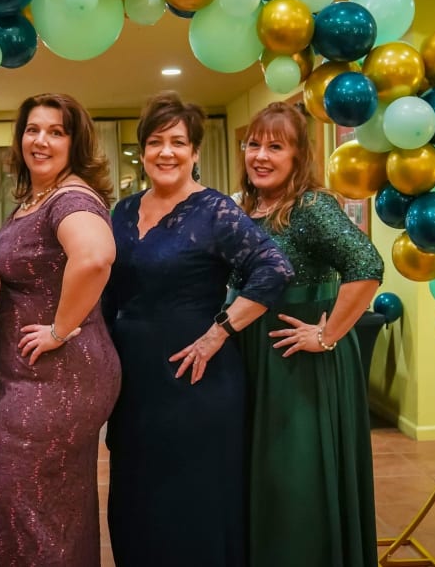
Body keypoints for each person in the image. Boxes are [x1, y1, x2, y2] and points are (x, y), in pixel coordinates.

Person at [105, 91, 293, 566]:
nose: (165, 152)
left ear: (194, 152)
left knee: (192, 505)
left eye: (177, 142)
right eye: (155, 142)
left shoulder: (214, 211)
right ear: (142, 150)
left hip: (197, 378)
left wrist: (219, 332)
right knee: (135, 498)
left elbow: (274, 268)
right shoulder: (122, 212)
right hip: (134, 382)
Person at [237, 101, 383, 567]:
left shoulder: (312, 205)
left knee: (298, 478)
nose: (260, 155)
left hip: (300, 361)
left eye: (275, 147)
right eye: (253, 144)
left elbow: (366, 267)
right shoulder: (249, 207)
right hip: (254, 355)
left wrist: (326, 335)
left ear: (299, 156)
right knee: (264, 477)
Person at [0, 93, 122, 567]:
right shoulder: (36, 199)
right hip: (40, 376)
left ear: (75, 143)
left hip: (60, 375)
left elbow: (96, 257)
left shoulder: (72, 198)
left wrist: (61, 330)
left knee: (20, 497)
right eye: (32, 129)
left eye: (55, 132)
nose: (40, 140)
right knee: (54, 504)